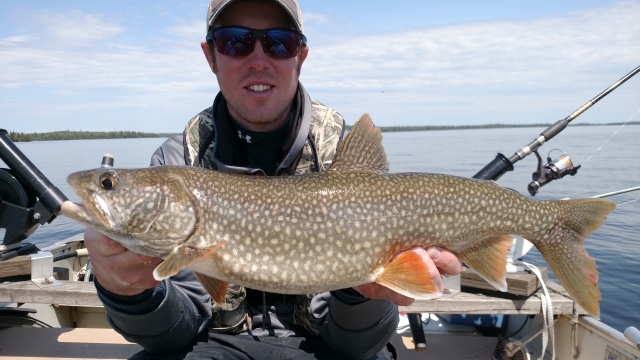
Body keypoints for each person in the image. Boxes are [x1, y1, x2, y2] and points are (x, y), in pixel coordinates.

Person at [83, 0, 463, 359]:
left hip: (330, 345)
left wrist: (364, 293)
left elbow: (358, 348)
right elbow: (175, 337)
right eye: (236, 41)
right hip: (219, 345)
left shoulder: (346, 161)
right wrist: (127, 294)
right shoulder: (178, 160)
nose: (259, 60)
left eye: (280, 43)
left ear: (301, 56)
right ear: (210, 56)